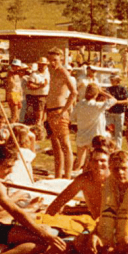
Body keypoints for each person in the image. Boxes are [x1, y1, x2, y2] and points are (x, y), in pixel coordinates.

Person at [46, 137, 115, 217]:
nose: (98, 164)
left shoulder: (115, 179)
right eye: (95, 160)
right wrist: (45, 218)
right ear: (90, 162)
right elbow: (60, 200)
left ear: (109, 162)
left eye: (102, 161)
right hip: (97, 223)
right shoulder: (84, 180)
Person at [44, 48, 77, 179]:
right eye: (50, 60)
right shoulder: (52, 72)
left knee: (65, 145)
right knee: (56, 146)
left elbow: (74, 92)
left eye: (55, 60)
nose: (52, 63)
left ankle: (67, 176)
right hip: (50, 111)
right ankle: (58, 175)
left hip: (59, 110)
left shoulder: (63, 72)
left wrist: (63, 111)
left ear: (61, 59)